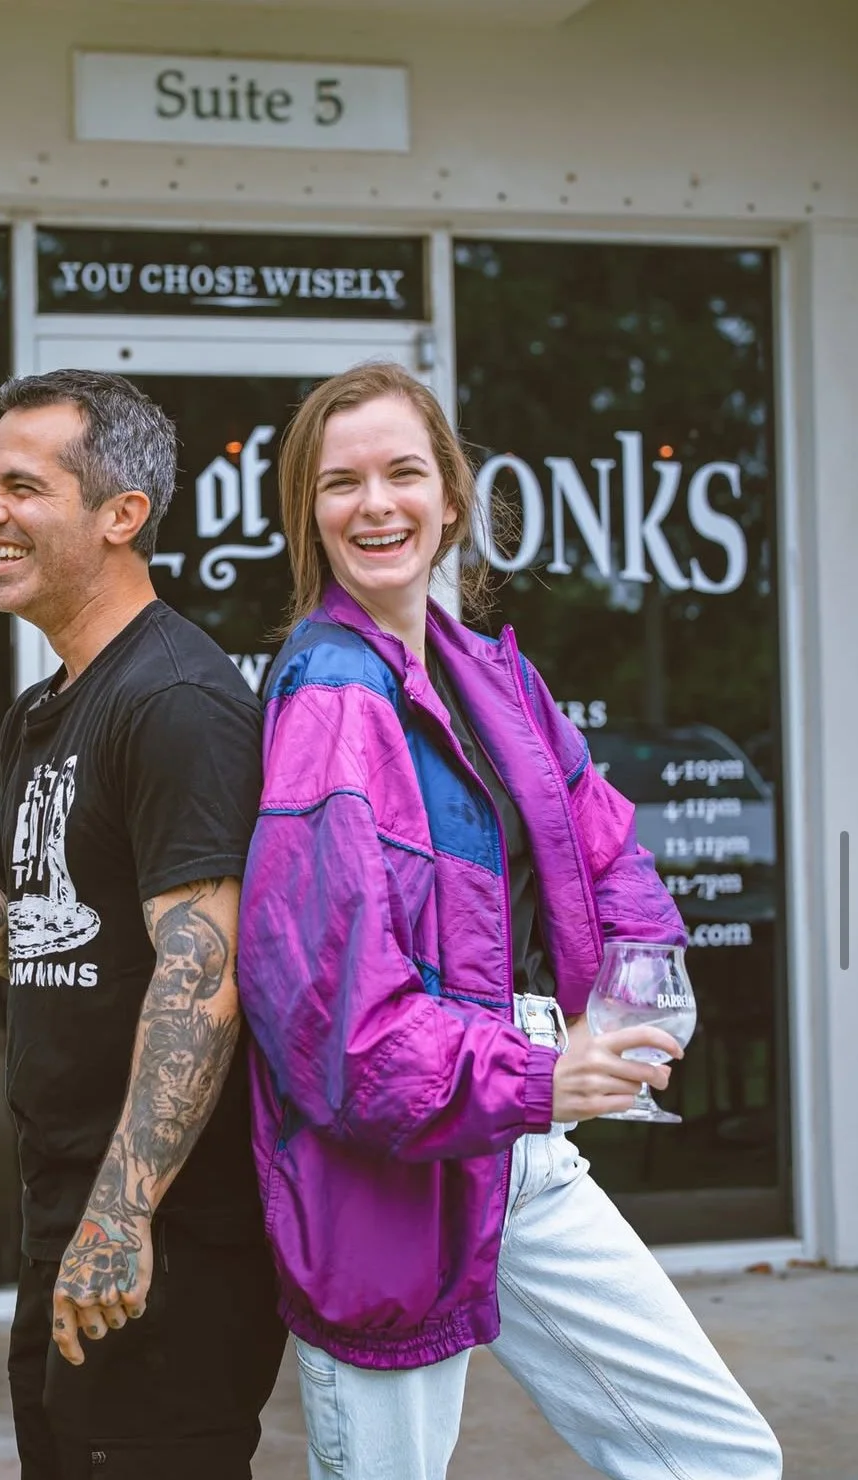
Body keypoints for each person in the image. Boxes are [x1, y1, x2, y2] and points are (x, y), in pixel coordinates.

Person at [236, 363, 782, 1480]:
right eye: (341, 483)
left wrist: (639, 998)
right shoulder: (329, 695)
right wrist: (535, 1074)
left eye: (403, 472)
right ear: (309, 512)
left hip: (521, 1143)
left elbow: (606, 847)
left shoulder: (489, 671)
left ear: (451, 493)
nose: (376, 504)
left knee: (719, 1454)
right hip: (380, 1183)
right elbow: (336, 1023)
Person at [0, 370, 286, 1477]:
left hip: (166, 1234)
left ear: (120, 514)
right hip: (64, 1207)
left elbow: (204, 975)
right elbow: (23, 932)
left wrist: (125, 1214)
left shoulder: (176, 702)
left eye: (22, 486)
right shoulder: (47, 706)